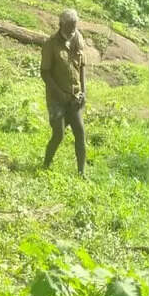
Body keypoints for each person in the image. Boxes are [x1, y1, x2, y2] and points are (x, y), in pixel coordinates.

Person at [41, 9, 87, 176]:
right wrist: (59, 93)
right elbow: (44, 72)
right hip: (57, 98)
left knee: (80, 133)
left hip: (75, 97)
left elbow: (82, 67)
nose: (72, 30)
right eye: (69, 27)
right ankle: (46, 164)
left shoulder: (78, 38)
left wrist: (84, 92)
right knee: (58, 134)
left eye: (75, 26)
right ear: (61, 25)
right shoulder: (50, 44)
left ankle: (81, 172)